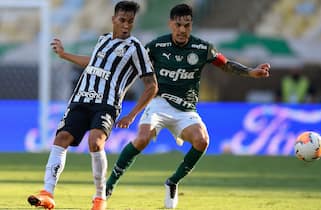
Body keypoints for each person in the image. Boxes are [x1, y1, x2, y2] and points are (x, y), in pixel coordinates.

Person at [105, 3, 270, 209]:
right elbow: (134, 65)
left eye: (187, 25)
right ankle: (109, 184)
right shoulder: (157, 46)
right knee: (142, 138)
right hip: (159, 102)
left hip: (186, 109)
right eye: (178, 25)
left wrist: (251, 72)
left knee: (202, 141)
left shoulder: (202, 48)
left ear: (191, 26)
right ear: (170, 24)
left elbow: (225, 64)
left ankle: (173, 182)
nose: (182, 30)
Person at [27, 1, 158, 210]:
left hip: (106, 104)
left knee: (96, 142)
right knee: (61, 138)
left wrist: (132, 115)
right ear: (113, 19)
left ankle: (99, 198)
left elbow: (152, 86)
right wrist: (64, 54)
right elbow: (93, 62)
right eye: (122, 20)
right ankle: (47, 193)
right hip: (81, 98)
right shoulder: (103, 39)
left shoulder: (136, 49)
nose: (126, 25)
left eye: (130, 22)